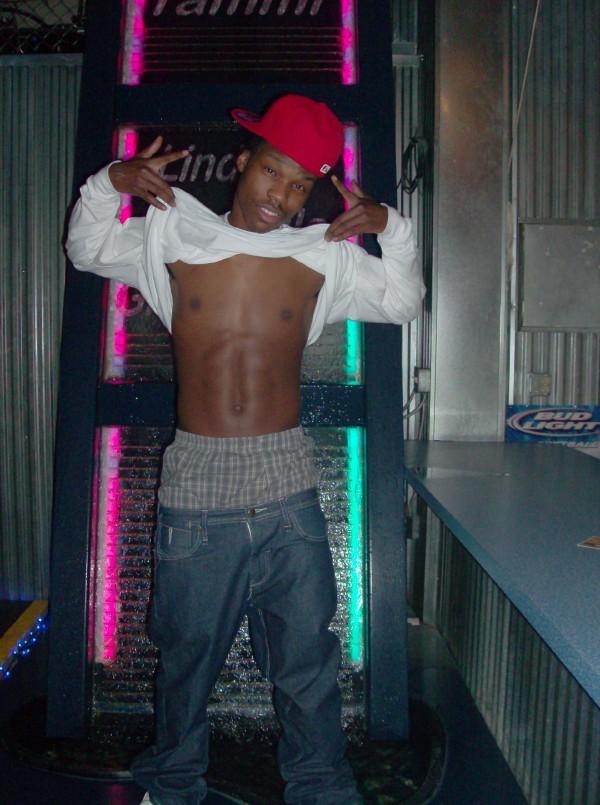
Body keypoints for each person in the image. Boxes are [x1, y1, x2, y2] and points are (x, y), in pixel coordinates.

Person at [66, 93, 425, 805]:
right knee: (186, 657)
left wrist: (395, 227)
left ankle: (321, 789)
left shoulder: (322, 254)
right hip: (198, 476)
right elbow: (87, 248)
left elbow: (402, 301)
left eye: (299, 184)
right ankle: (173, 786)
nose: (280, 194)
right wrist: (110, 183)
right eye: (271, 171)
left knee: (307, 659)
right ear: (242, 161)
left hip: (287, 473)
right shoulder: (173, 235)